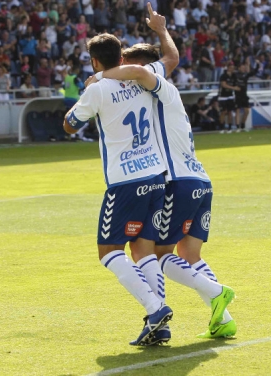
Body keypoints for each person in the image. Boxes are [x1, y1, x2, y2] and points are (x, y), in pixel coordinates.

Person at [90, 4, 236, 343]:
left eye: (127, 68)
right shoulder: (164, 92)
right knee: (189, 254)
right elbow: (170, 58)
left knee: (152, 254)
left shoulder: (149, 88)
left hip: (175, 182)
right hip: (200, 180)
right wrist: (160, 29)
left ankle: (202, 298)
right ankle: (223, 319)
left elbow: (152, 68)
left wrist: (100, 76)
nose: (122, 74)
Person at [63, 33, 172, 347]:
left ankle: (155, 308)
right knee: (142, 250)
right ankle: (161, 328)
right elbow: (170, 61)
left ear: (95, 61)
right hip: (156, 177)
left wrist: (86, 95)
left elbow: (71, 125)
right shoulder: (142, 78)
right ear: (122, 58)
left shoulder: (97, 90)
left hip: (126, 182)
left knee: (109, 252)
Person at [218, 62, 240, 133]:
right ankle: (221, 127)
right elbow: (224, 85)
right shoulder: (223, 76)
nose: (232, 69)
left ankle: (229, 127)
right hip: (223, 96)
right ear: (228, 68)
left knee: (230, 111)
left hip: (230, 96)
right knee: (223, 112)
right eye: (231, 68)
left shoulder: (234, 76)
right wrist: (233, 88)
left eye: (233, 68)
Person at [234, 62, 255, 131]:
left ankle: (243, 124)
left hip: (244, 95)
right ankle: (237, 127)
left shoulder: (245, 75)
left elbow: (253, 72)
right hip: (237, 95)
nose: (243, 69)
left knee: (247, 111)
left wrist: (257, 65)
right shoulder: (235, 75)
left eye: (244, 67)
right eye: (242, 67)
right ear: (239, 68)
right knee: (238, 111)